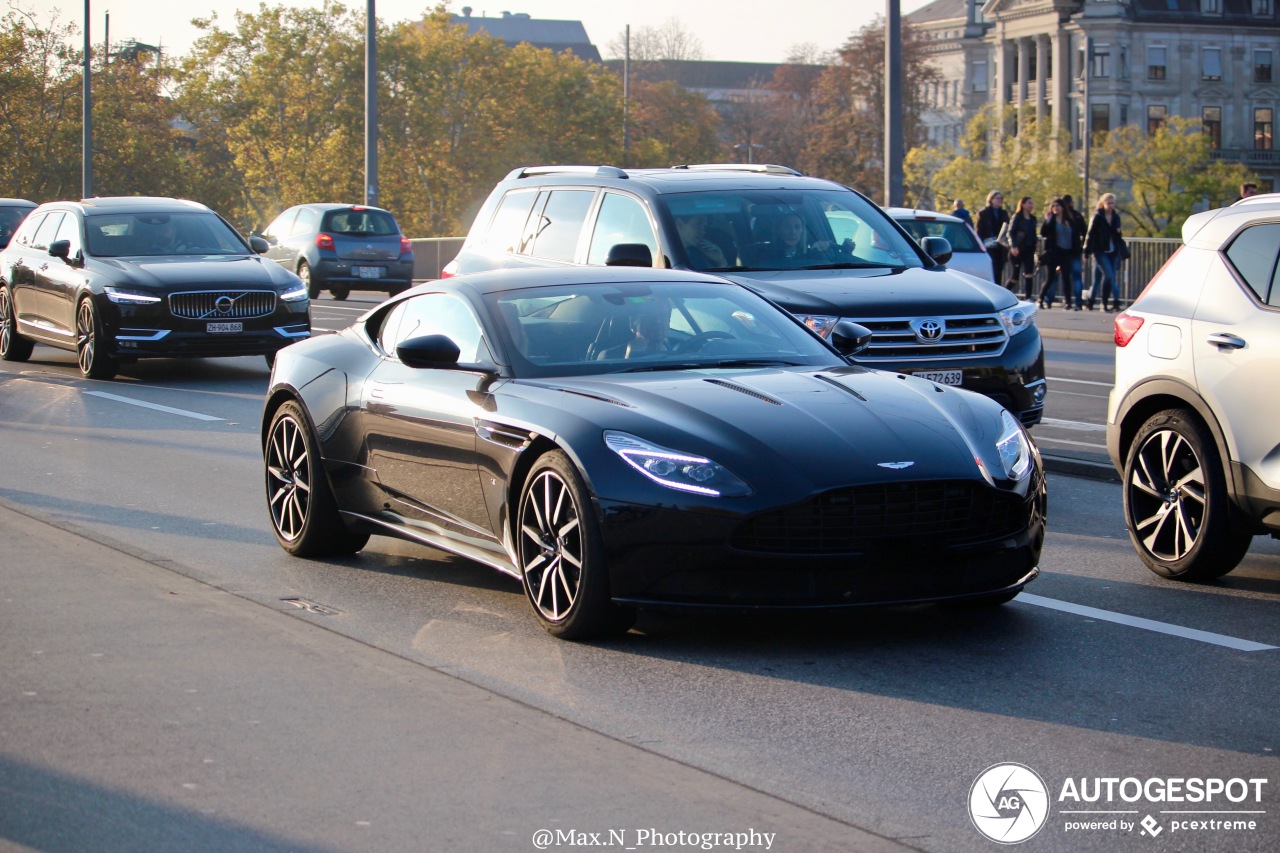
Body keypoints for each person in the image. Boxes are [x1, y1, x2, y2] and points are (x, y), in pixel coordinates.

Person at [1038, 198, 1084, 309]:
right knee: (1050, 277)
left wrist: (1078, 250)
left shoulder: (1069, 220)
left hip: (1066, 253)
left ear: (1063, 207)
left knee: (1066, 278)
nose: (1055, 208)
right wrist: (1047, 220)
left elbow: (1076, 235)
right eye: (1053, 206)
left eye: (1058, 206)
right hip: (1054, 252)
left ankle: (1068, 302)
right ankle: (1041, 299)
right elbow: (1043, 232)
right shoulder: (1051, 220)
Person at [1084, 192, 1124, 312]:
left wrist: (1118, 232)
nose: (1110, 205)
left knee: (1097, 278)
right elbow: (1090, 234)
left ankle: (1090, 301)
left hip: (1112, 251)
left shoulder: (1116, 217)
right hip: (1100, 251)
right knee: (1109, 276)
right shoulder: (1098, 216)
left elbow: (1117, 234)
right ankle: (1104, 303)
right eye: (1108, 203)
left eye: (1112, 203)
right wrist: (1086, 251)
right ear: (1103, 203)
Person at [1007, 196, 1039, 299]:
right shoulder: (1017, 217)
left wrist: (1036, 243)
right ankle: (1004, 293)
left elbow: (1033, 234)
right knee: (1015, 277)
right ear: (1023, 204)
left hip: (1029, 250)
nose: (1031, 205)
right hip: (1018, 250)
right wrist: (1014, 246)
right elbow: (1010, 232)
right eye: (1029, 203)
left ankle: (1028, 297)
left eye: (1032, 203)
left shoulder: (1033, 219)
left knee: (1029, 274)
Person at [976, 190, 1010, 285]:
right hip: (988, 246)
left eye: (1001, 198)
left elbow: (1007, 227)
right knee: (991, 270)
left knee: (999, 271)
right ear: (991, 199)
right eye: (997, 198)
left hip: (1000, 246)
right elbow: (979, 231)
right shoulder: (983, 213)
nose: (1000, 200)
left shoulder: (1003, 213)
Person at [1060, 195, 1088, 307]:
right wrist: (1082, 245)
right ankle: (1078, 301)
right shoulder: (1076, 215)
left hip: (1064, 250)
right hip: (1074, 249)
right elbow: (1085, 232)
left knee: (1065, 277)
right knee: (1076, 277)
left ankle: (1068, 300)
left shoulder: (1062, 216)